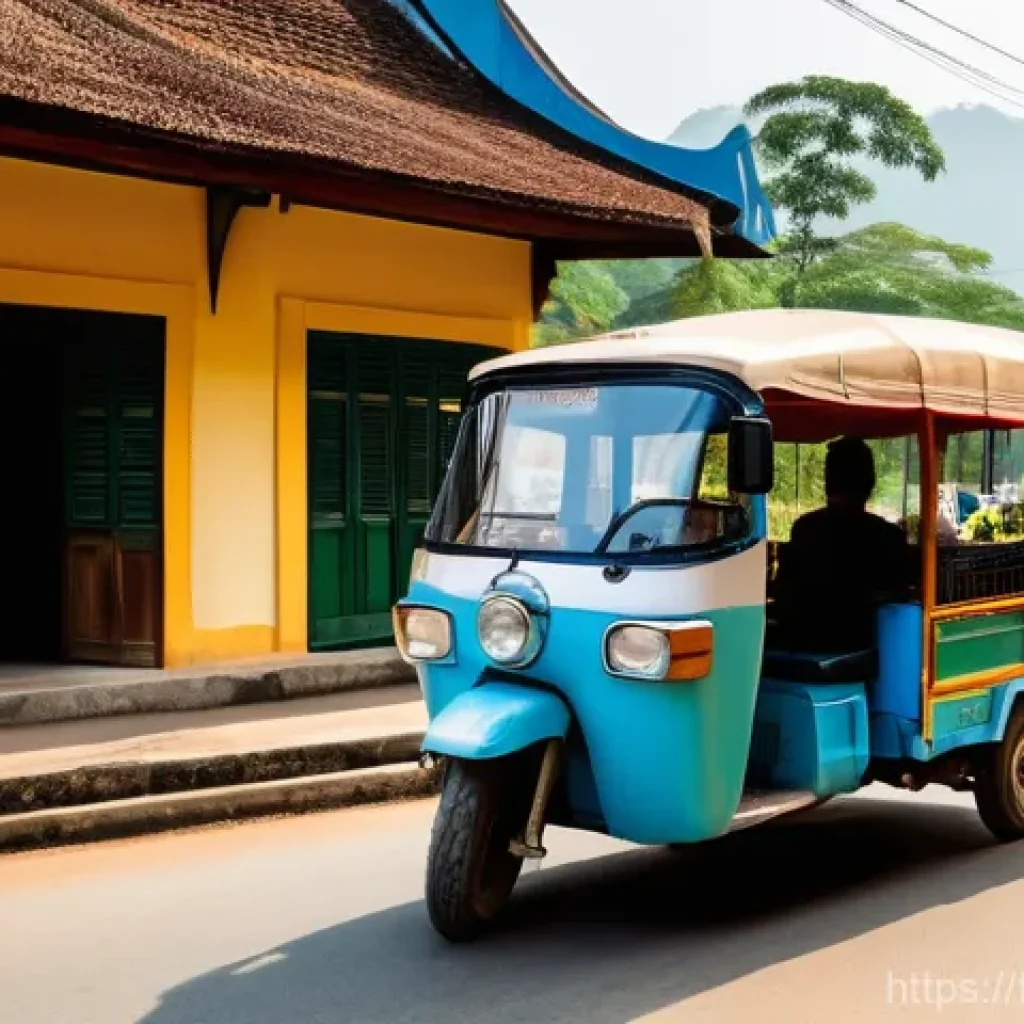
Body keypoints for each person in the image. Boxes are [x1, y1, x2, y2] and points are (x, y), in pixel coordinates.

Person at [773, 437, 910, 653]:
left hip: (800, 640)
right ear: (870, 483)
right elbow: (900, 599)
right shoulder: (888, 536)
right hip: (863, 647)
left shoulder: (805, 529)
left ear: (827, 482)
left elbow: (783, 595)